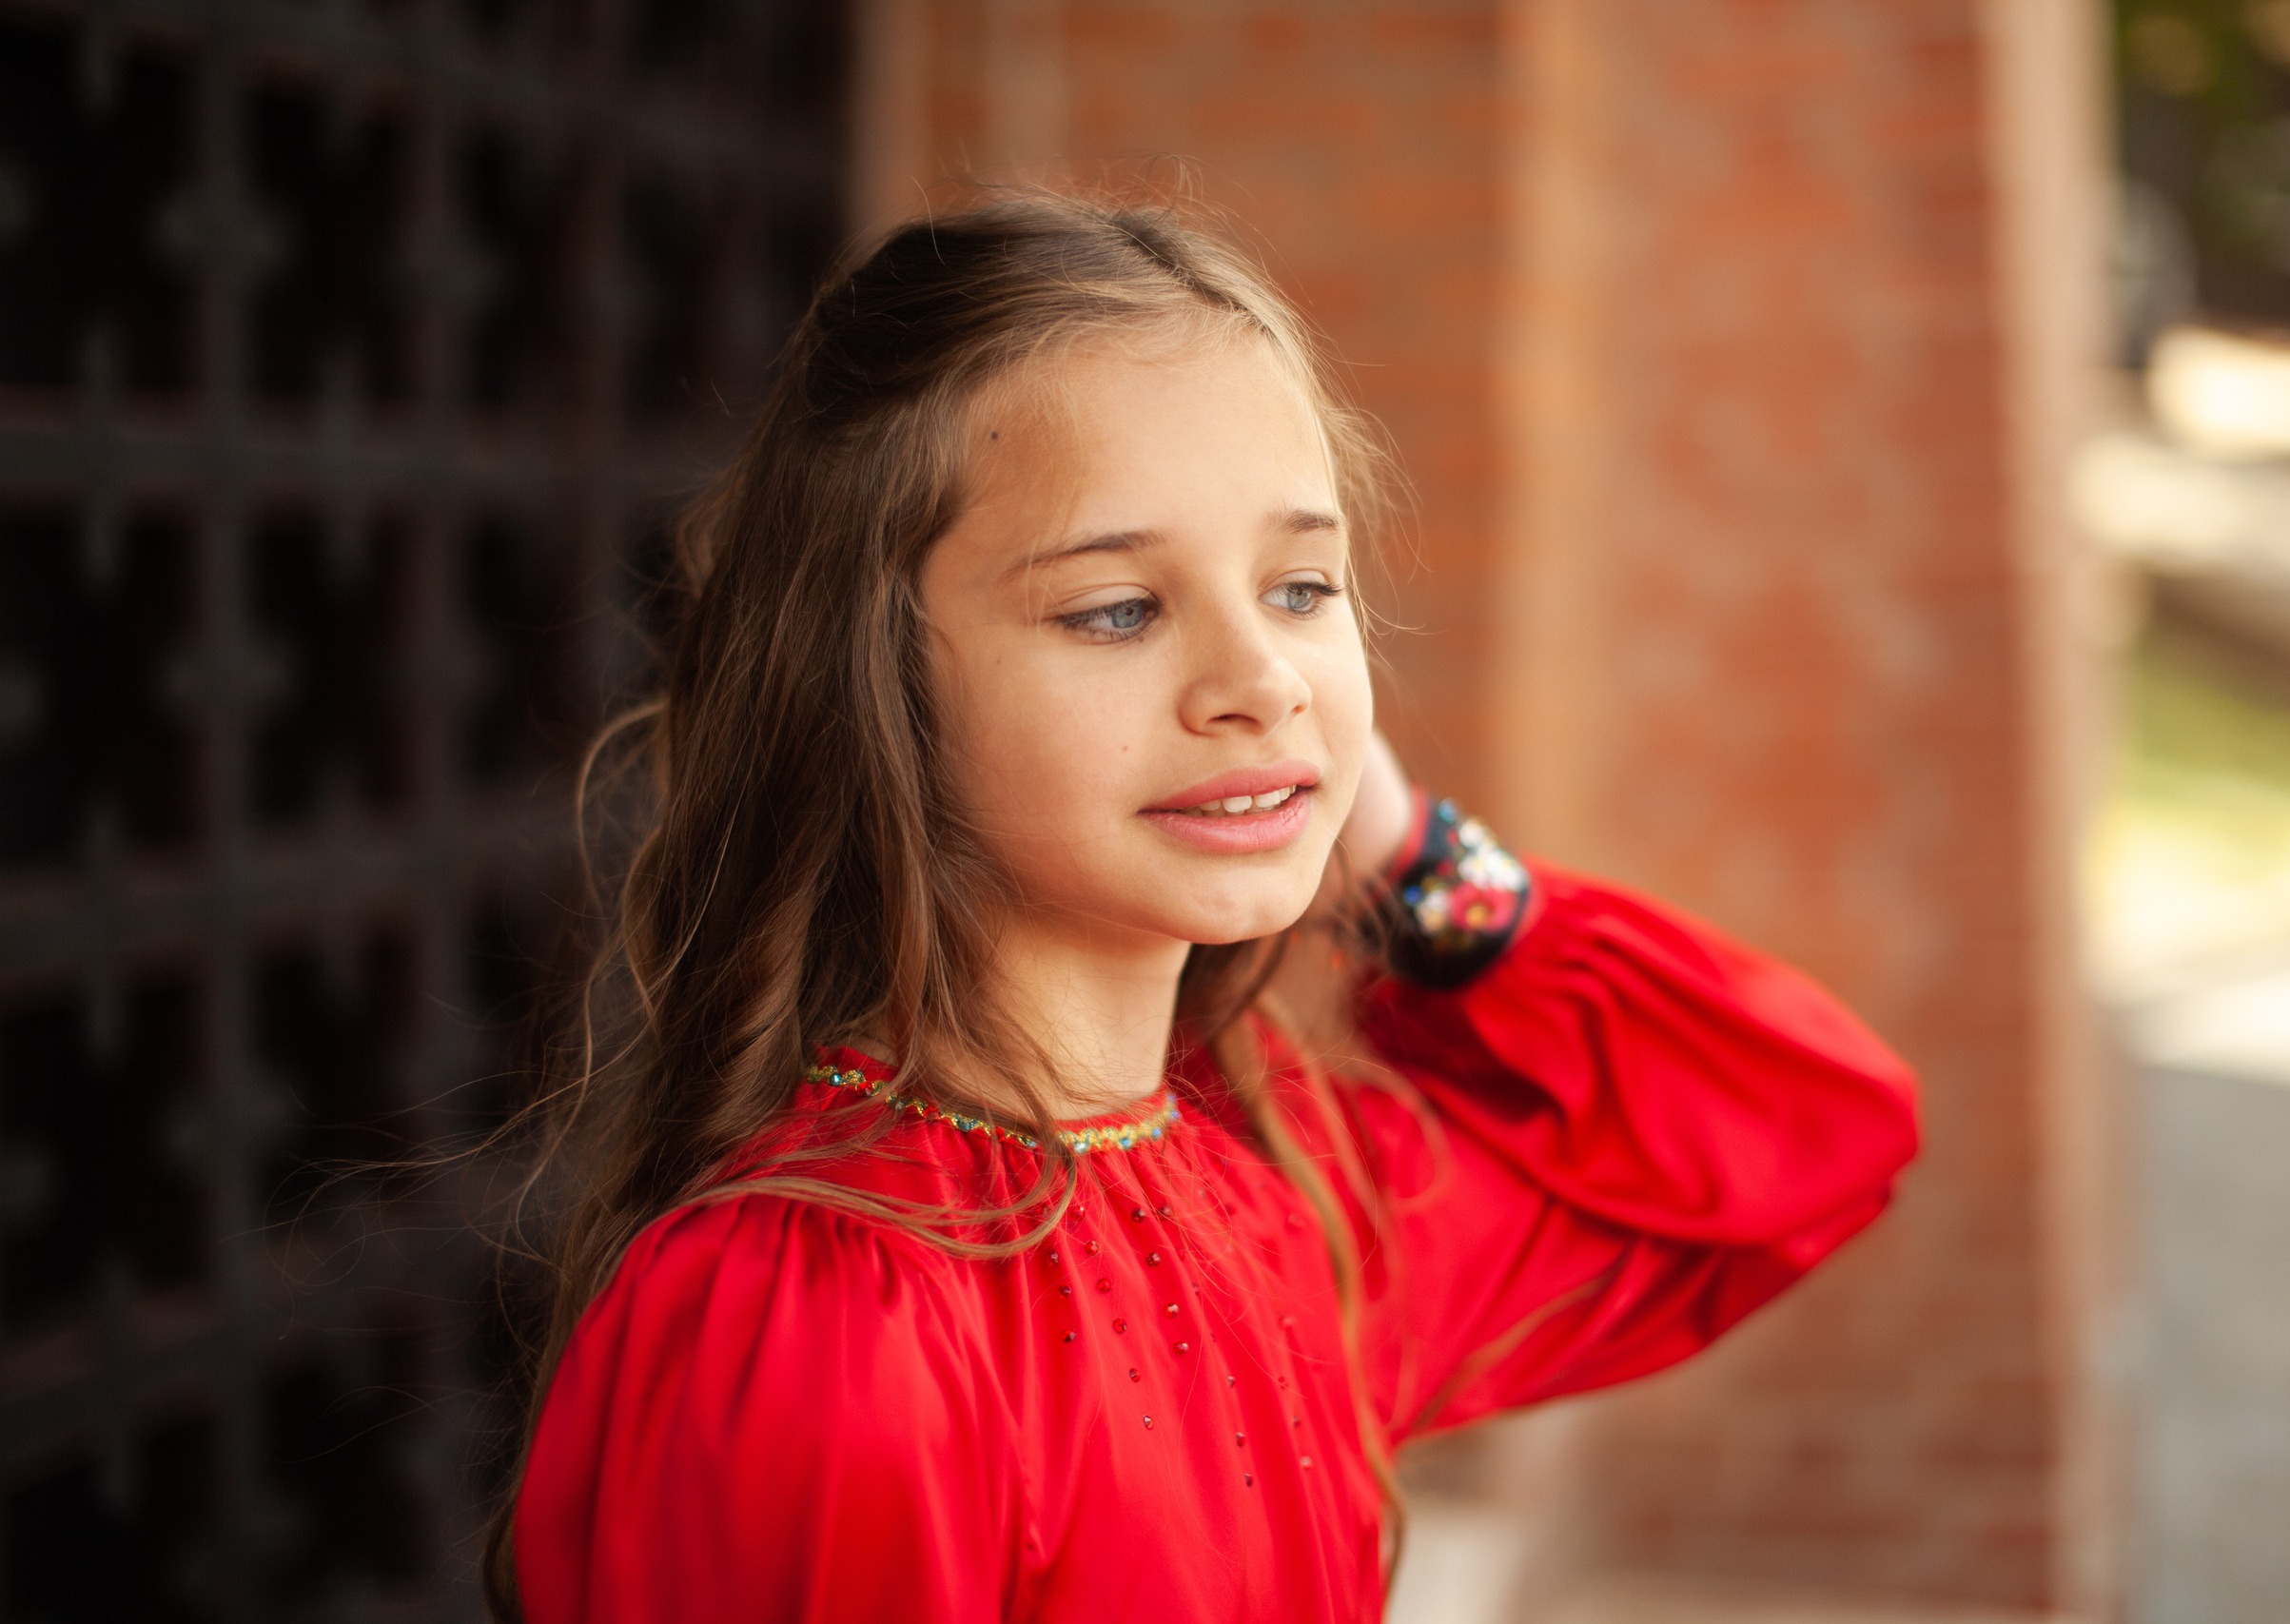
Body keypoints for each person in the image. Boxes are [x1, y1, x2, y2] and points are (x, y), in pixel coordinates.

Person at [494, 190, 1919, 1624]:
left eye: (1302, 586)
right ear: (874, 680)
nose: (1264, 678)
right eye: (1118, 609)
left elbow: (1820, 1131)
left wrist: (1413, 868)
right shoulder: (828, 1324)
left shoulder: (1293, 1194)